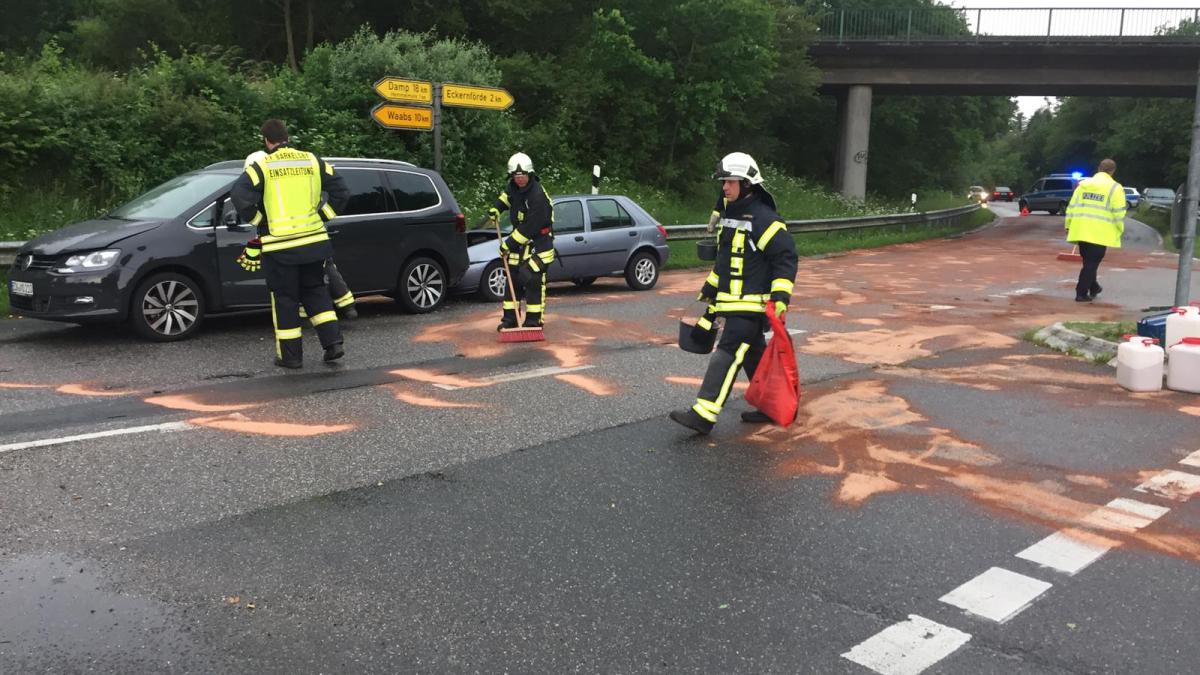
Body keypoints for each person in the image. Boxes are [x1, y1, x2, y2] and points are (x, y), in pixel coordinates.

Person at [670, 152, 798, 434]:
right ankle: (769, 406)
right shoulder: (731, 216)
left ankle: (704, 414)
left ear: (747, 185)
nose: (724, 188)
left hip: (750, 306)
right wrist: (710, 292)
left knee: (727, 353)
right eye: (723, 182)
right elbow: (724, 264)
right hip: (733, 303)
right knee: (754, 356)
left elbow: (786, 258)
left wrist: (780, 298)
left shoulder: (765, 219)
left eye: (730, 182)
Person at [231, 119, 350, 368]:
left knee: (285, 300)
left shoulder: (261, 165)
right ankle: (333, 344)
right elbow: (342, 191)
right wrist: (322, 216)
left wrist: (261, 221)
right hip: (314, 242)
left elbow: (239, 195)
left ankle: (291, 357)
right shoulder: (312, 160)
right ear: (288, 137)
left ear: (266, 140)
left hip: (280, 246)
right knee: (316, 292)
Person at [244, 151, 358, 322]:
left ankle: (341, 306)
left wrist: (259, 222)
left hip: (295, 237)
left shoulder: (271, 182)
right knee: (321, 271)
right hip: (311, 234)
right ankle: (344, 305)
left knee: (311, 275)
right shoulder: (294, 175)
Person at [488, 152, 556, 330]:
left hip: (538, 245)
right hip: (519, 246)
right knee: (512, 280)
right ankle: (509, 320)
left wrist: (508, 244)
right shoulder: (513, 187)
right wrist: (497, 208)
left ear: (530, 174)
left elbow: (529, 228)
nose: (519, 179)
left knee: (532, 280)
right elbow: (506, 197)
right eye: (516, 176)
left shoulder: (537, 196)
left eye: (523, 175)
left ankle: (533, 321)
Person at [1065, 158, 1126, 302]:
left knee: (1088, 262)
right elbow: (1119, 212)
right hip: (1100, 233)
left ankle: (1094, 287)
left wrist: (1068, 225)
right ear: (1113, 171)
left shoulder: (1083, 185)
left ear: (1099, 169)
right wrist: (1120, 228)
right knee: (1091, 264)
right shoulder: (1115, 188)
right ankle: (1081, 292)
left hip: (1081, 230)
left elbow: (1072, 207)